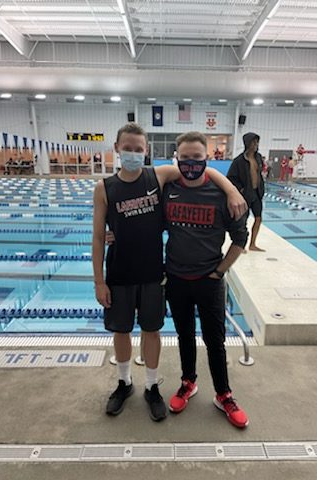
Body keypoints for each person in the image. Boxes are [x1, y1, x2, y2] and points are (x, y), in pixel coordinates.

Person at [93, 122, 247, 423]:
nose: (133, 154)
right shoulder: (116, 187)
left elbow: (206, 173)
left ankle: (184, 390)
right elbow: (105, 234)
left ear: (147, 151)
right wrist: (100, 276)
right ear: (117, 149)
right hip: (142, 275)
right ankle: (139, 383)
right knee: (145, 333)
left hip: (172, 276)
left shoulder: (160, 176)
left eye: (139, 149)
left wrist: (229, 188)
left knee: (184, 336)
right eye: (128, 149)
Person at [165, 131, 249, 428]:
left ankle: (223, 394)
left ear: (206, 159)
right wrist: (115, 235)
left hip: (210, 280)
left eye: (196, 158)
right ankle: (188, 382)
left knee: (216, 341)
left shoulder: (224, 196)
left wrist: (219, 272)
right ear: (177, 159)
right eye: (185, 158)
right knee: (184, 335)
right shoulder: (169, 190)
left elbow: (240, 239)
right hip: (176, 278)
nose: (190, 163)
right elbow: (147, 225)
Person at [227, 132, 265, 252]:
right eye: (254, 142)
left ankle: (252, 244)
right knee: (242, 221)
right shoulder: (239, 161)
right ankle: (241, 245)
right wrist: (241, 190)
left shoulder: (258, 157)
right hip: (245, 195)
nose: (256, 144)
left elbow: (259, 174)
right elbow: (231, 178)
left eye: (257, 142)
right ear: (247, 143)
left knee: (258, 218)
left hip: (257, 193)